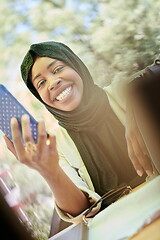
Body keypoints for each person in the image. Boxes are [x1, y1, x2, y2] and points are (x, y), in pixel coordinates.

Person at [3, 41, 159, 225]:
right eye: (41, 83)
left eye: (58, 69)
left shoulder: (124, 90)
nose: (53, 83)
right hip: (124, 227)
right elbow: (81, 210)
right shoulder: (56, 144)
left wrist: (137, 101)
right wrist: (50, 172)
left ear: (77, 66)